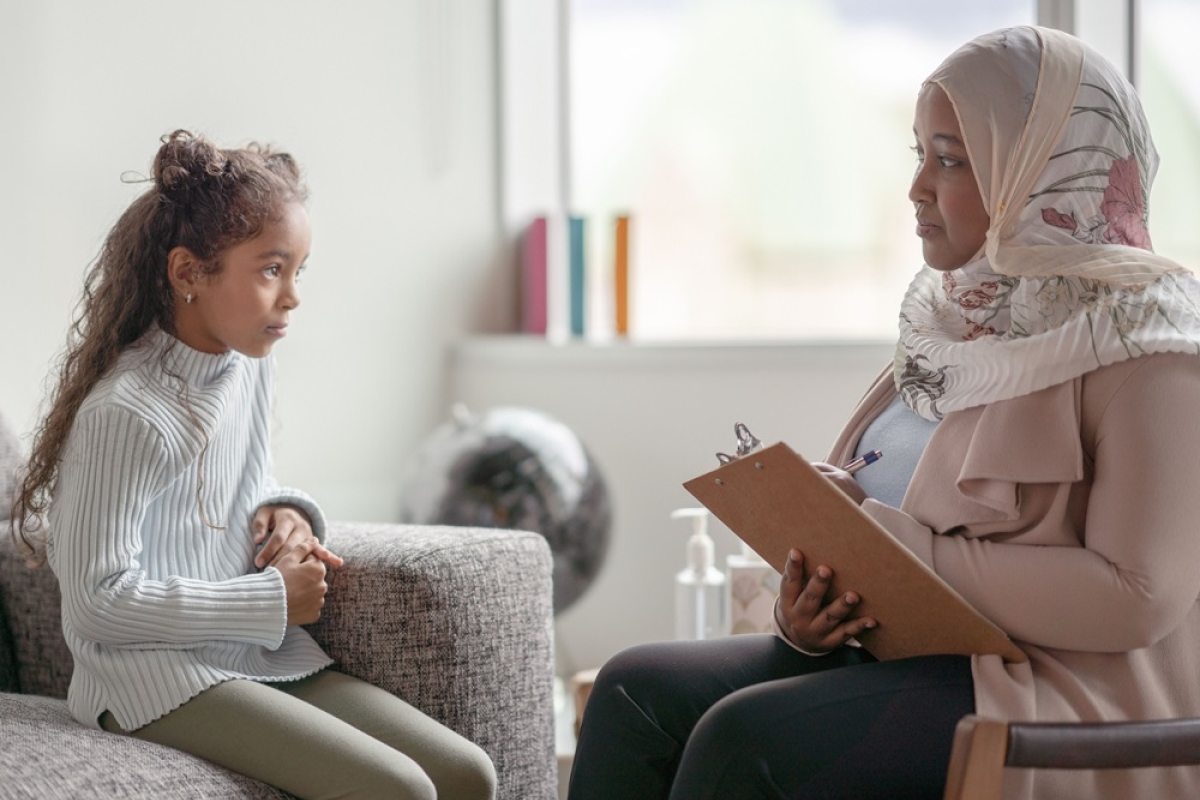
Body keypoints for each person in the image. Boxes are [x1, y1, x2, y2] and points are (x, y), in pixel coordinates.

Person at [568, 25, 1200, 800]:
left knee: (746, 742)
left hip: (1054, 697)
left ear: (1036, 171)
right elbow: (883, 517)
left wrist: (887, 540)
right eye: (918, 156)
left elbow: (1138, 597)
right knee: (633, 691)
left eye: (950, 159)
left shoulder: (1151, 348)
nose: (916, 188)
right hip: (911, 658)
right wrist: (813, 604)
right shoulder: (953, 327)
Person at [12, 130, 497, 800]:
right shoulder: (125, 413)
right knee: (401, 790)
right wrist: (268, 599)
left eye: (299, 271)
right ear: (188, 273)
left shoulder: (246, 369)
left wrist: (289, 515)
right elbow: (97, 604)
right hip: (151, 680)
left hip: (252, 657)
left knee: (468, 774)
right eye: (272, 270)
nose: (292, 296)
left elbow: (239, 489)